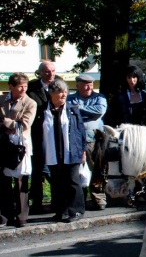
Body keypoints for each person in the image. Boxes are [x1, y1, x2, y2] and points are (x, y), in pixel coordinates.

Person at [44, 78, 87, 223]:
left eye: (65, 92)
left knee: (73, 181)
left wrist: (83, 150)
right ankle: (61, 211)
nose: (63, 95)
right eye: (60, 92)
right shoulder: (43, 111)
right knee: (57, 183)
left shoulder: (72, 110)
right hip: (53, 153)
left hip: (71, 152)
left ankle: (76, 211)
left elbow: (81, 131)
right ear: (51, 93)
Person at [0, 73, 36, 227]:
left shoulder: (30, 103)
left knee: (21, 182)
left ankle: (21, 217)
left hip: (21, 146)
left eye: (25, 86)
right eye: (20, 86)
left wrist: (5, 122)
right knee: (4, 182)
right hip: (3, 144)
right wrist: (10, 126)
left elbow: (25, 124)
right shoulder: (2, 100)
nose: (23, 89)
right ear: (11, 86)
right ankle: (5, 216)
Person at [67, 74, 108, 210]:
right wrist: (82, 111)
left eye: (90, 84)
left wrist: (79, 109)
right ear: (77, 85)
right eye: (85, 84)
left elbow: (99, 111)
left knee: (97, 169)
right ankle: (80, 200)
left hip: (94, 140)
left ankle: (99, 198)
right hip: (75, 140)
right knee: (77, 172)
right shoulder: (70, 98)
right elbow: (69, 113)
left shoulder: (99, 98)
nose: (89, 86)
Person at [26, 61, 56, 214]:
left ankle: (58, 201)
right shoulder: (31, 88)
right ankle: (36, 203)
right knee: (37, 170)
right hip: (37, 135)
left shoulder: (59, 85)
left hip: (55, 134)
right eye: (46, 71)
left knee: (54, 169)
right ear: (40, 73)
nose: (50, 74)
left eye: (52, 71)